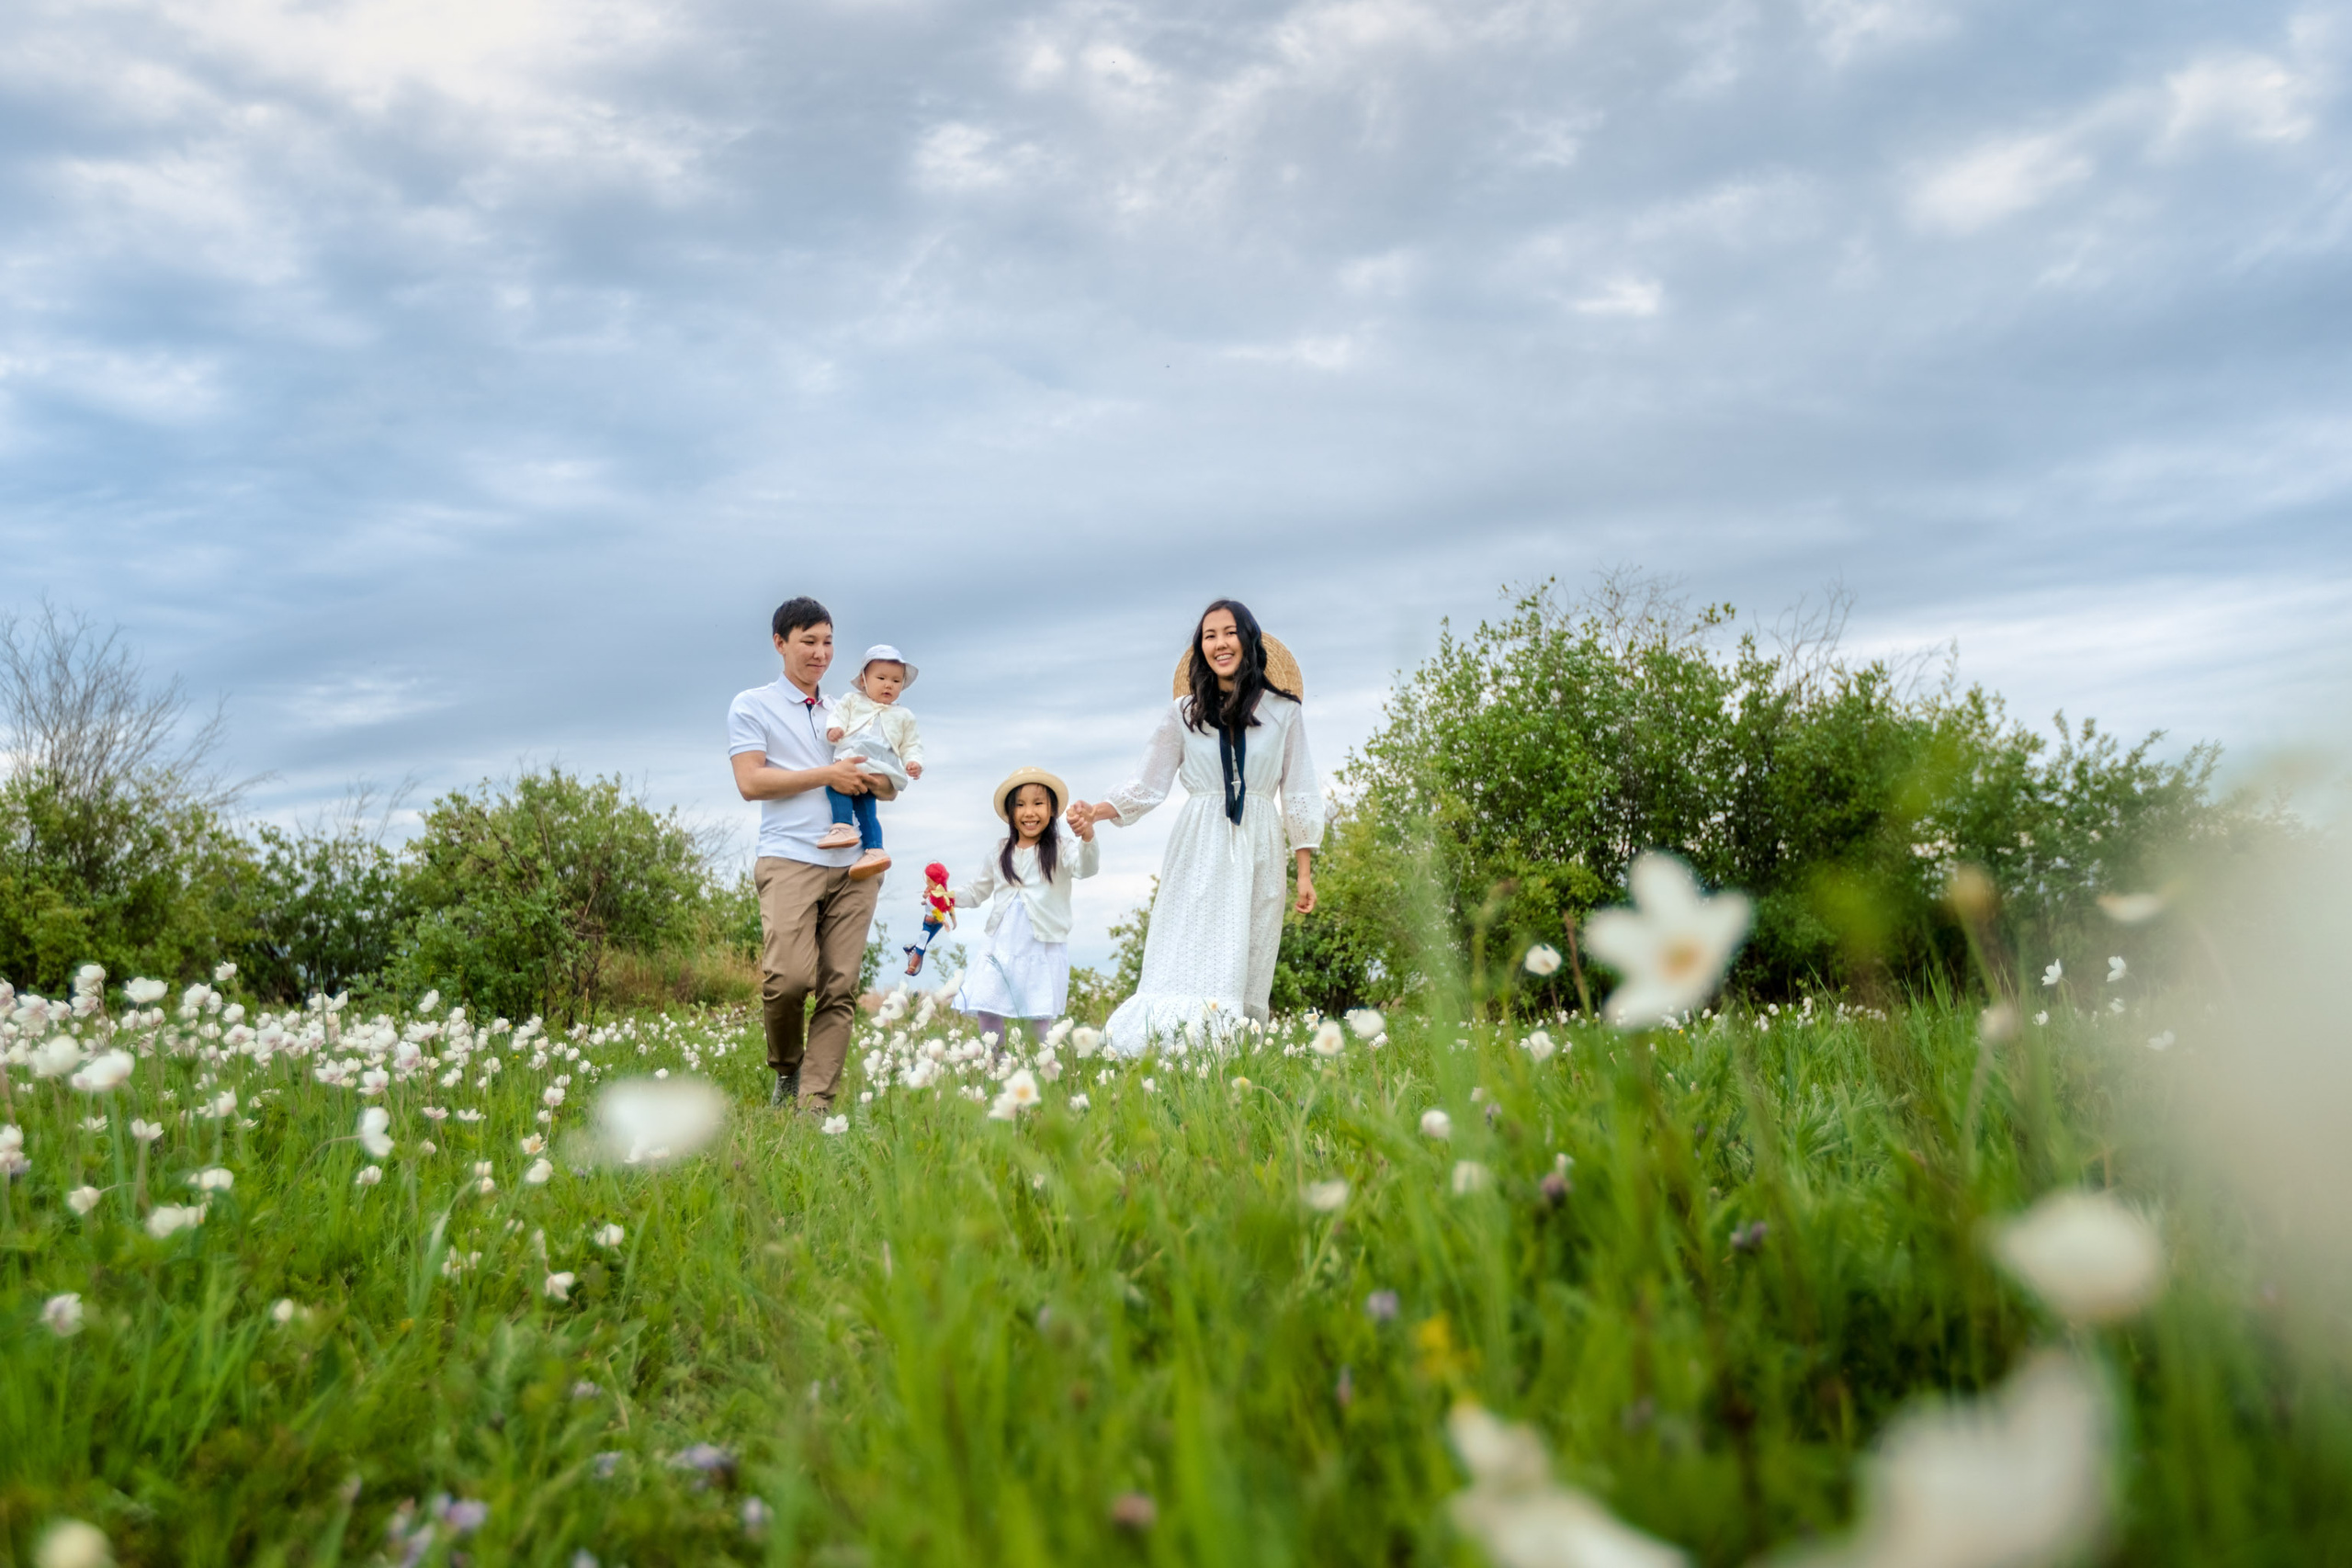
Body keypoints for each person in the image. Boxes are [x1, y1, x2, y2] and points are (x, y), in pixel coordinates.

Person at [1069, 601, 1322, 1055]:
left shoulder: (1286, 712)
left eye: (1229, 633)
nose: (1220, 643)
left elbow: (1299, 790)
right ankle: (1166, 1058)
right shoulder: (1183, 713)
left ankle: (1231, 1062)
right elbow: (1147, 783)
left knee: (1250, 954)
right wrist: (1096, 811)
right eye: (1209, 635)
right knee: (1186, 951)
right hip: (1200, 842)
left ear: (1248, 639)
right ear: (1200, 647)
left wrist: (1304, 872)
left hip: (1261, 845)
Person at [727, 596, 887, 1111]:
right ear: (780, 643)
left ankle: (816, 1106)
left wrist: (881, 778)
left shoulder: (852, 709)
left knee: (840, 987)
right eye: (808, 642)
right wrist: (828, 775)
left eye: (828, 642)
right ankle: (788, 1070)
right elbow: (750, 782)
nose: (821, 653)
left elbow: (886, 782)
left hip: (856, 864)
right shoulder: (752, 705)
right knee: (789, 979)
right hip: (790, 858)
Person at [952, 767, 1100, 1042]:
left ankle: (1042, 1070)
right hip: (1001, 944)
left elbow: (1086, 868)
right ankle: (995, 1064)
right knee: (987, 1004)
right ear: (1010, 813)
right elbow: (976, 891)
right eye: (1019, 805)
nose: (1029, 812)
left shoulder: (1061, 848)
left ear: (1052, 809)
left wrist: (1088, 837)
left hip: (1041, 944)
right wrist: (948, 897)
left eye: (1038, 803)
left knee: (1037, 1017)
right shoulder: (1000, 852)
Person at [815, 643, 924, 880]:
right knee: (850, 795)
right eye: (881, 678)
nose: (888, 685)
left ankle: (859, 837)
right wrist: (835, 728)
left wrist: (913, 762)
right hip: (853, 757)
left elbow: (911, 744)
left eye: (896, 681)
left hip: (879, 765)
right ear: (864, 680)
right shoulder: (853, 701)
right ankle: (859, 837)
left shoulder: (903, 715)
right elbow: (838, 715)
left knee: (851, 796)